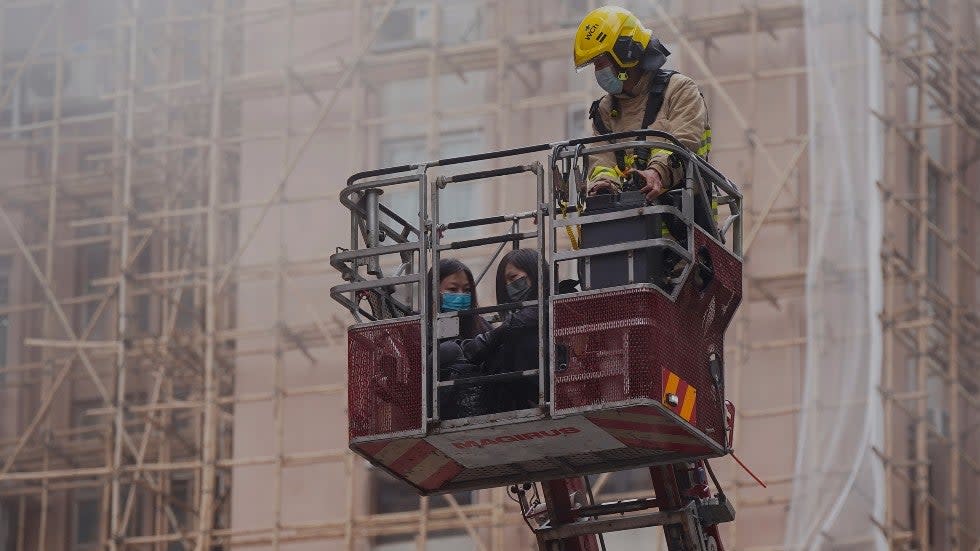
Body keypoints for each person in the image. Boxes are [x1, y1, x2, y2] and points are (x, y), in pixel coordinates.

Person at [573, 5, 711, 201]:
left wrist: (656, 173)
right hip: (626, 224)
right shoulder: (605, 110)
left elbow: (683, 142)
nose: (598, 71)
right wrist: (603, 186)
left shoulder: (679, 90)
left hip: (682, 221)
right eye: (594, 64)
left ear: (625, 53)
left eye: (600, 62)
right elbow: (601, 160)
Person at [461, 249, 544, 413]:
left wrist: (487, 340)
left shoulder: (552, 304)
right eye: (504, 282)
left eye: (513, 278)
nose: (509, 286)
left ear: (535, 273)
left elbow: (534, 314)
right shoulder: (515, 322)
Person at [430, 258, 492, 420]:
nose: (461, 295)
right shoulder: (423, 326)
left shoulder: (481, 324)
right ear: (434, 291)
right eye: (452, 289)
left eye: (466, 290)